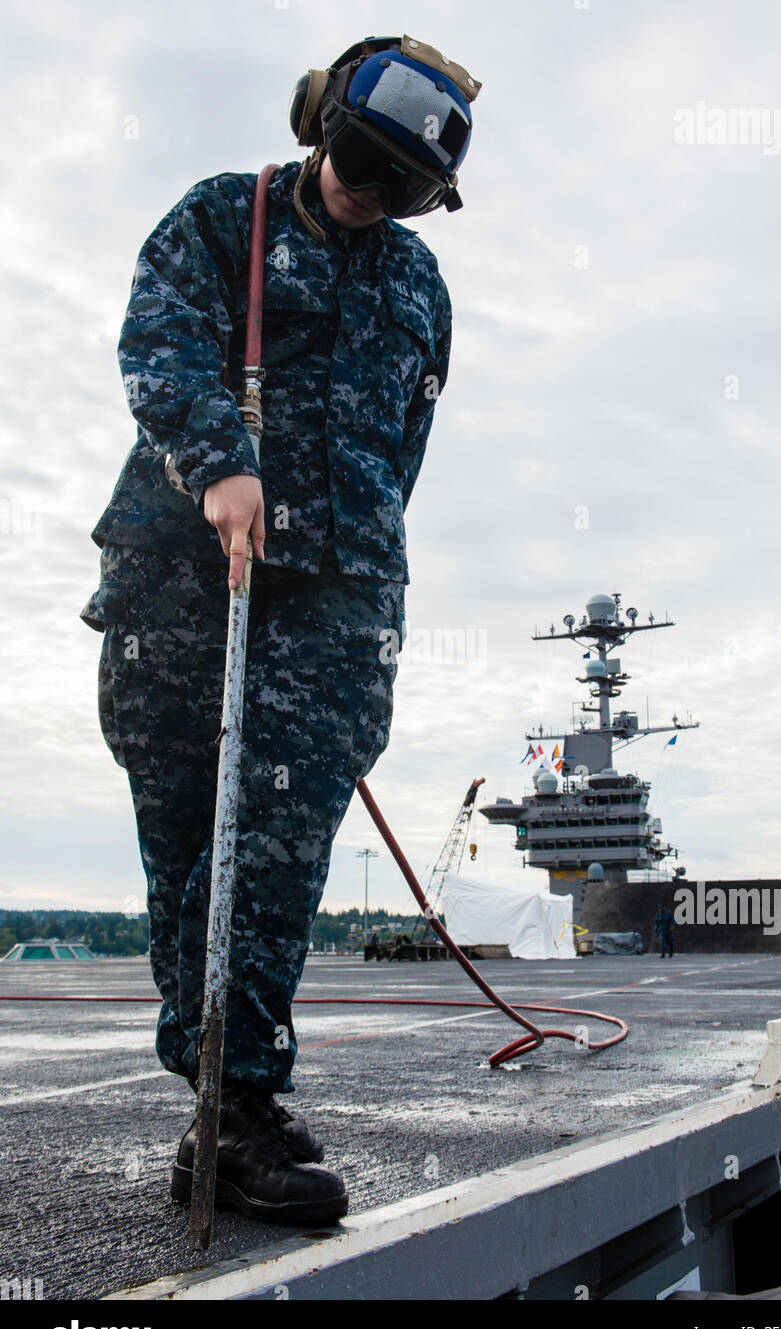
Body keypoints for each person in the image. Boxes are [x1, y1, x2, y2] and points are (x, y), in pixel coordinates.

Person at [80, 34, 481, 1227]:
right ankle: (218, 1093)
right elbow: (157, 345)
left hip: (334, 599)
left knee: (278, 835)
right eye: (362, 161)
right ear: (320, 126)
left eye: (403, 186)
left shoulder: (418, 289)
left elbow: (402, 453)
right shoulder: (223, 219)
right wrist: (219, 463)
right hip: (183, 574)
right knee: (189, 838)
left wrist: (348, 575)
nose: (371, 193)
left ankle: (239, 1099)